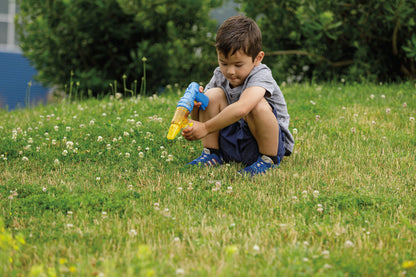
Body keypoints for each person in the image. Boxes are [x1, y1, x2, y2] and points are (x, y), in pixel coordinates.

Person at [182, 15, 294, 175]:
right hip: (232, 141)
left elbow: (242, 108)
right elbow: (202, 115)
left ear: (258, 58)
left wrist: (205, 128)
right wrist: (195, 109)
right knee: (211, 96)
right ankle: (212, 154)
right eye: (224, 63)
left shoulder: (261, 74)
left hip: (263, 142)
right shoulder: (220, 75)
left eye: (238, 64)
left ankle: (268, 160)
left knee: (255, 104)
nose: (230, 71)